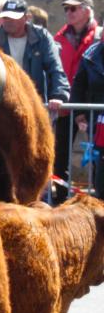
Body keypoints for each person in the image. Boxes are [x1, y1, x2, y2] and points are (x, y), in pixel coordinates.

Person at [53, 0, 99, 203]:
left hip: (93, 108)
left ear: (87, 11)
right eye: (66, 9)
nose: (68, 13)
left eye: (74, 9)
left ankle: (98, 198)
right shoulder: (59, 38)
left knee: (97, 156)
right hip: (66, 106)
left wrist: (82, 110)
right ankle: (61, 200)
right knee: (60, 155)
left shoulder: (99, 37)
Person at [0, 0, 69, 108]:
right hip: (1, 105)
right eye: (5, 17)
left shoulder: (42, 37)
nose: (8, 21)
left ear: (26, 18)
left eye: (13, 17)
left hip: (34, 104)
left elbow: (55, 67)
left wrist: (59, 96)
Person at [71, 37, 104, 198]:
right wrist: (79, 113)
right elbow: (78, 85)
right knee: (100, 167)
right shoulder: (91, 54)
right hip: (98, 123)